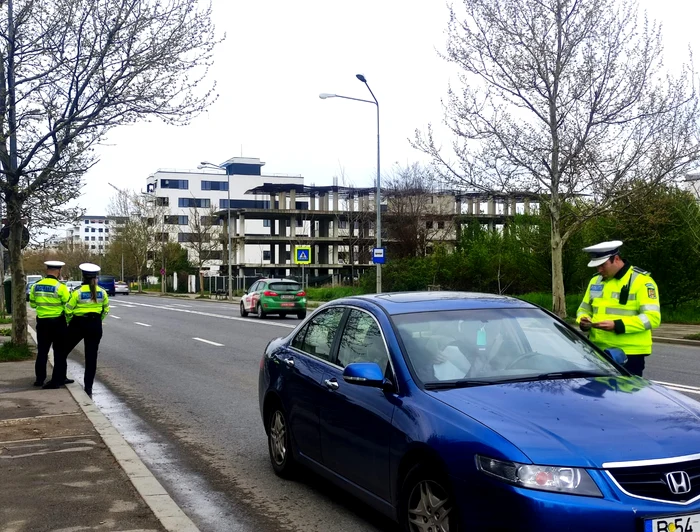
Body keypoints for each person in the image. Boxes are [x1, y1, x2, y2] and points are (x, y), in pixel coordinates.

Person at [576, 240, 661, 377]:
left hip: (629, 353)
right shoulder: (595, 281)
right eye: (597, 266)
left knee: (626, 397)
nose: (599, 270)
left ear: (616, 259)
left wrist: (617, 325)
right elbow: (583, 309)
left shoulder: (642, 281)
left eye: (603, 265)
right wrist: (583, 321)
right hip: (597, 349)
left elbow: (652, 318)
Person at [63, 263, 110, 398]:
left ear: (82, 277)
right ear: (95, 278)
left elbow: (68, 309)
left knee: (62, 350)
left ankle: (60, 377)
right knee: (91, 357)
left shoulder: (77, 292)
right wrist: (97, 320)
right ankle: (88, 387)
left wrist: (70, 321)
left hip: (78, 324)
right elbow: (106, 309)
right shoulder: (102, 292)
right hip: (95, 325)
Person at [29, 261, 73, 388]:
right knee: (59, 352)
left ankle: (39, 379)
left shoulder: (35, 286)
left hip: (42, 323)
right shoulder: (61, 287)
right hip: (58, 323)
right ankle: (58, 379)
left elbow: (32, 304)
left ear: (46, 270)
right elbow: (68, 305)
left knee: (42, 351)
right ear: (58, 272)